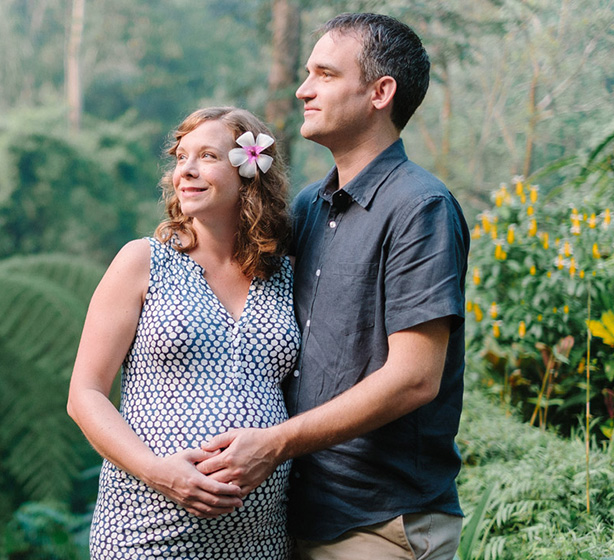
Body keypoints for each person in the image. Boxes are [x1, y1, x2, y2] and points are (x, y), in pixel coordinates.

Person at [196, 13, 470, 560]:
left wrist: (272, 445)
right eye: (306, 73)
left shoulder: (420, 207)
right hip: (290, 514)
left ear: (379, 92)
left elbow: (415, 378)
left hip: (379, 523)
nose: (303, 89)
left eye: (324, 74)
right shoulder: (307, 209)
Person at [67, 106, 300, 559]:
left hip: (259, 542)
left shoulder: (287, 275)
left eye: (207, 156)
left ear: (250, 172)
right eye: (181, 157)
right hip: (145, 535)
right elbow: (84, 395)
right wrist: (160, 473)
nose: (185, 171)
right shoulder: (142, 262)